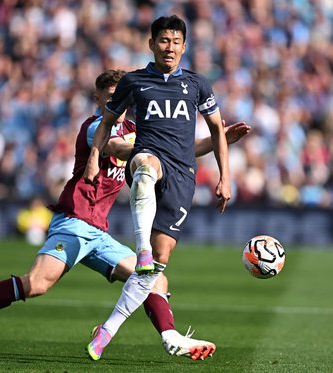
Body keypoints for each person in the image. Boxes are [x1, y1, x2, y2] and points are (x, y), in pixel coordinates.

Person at [0, 69, 249, 360]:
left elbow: (178, 151)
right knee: (37, 284)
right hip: (73, 221)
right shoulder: (95, 127)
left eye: (119, 95)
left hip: (98, 232)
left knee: (156, 278)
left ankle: (170, 336)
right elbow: (116, 149)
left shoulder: (136, 129)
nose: (116, 101)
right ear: (98, 99)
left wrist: (220, 141)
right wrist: (144, 151)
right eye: (109, 97)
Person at [84, 15, 231, 361]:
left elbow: (217, 130)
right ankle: (141, 249)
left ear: (184, 46)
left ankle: (106, 331)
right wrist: (94, 156)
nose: (170, 47)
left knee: (157, 267)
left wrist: (225, 176)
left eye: (176, 41)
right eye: (163, 40)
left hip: (183, 175)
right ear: (151, 44)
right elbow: (107, 123)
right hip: (149, 157)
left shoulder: (198, 85)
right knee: (145, 166)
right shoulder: (134, 82)